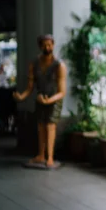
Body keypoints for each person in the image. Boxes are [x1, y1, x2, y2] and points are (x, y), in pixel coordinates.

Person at [13, 35, 67, 168]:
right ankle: (41, 155)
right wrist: (22, 97)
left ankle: (50, 157)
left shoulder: (59, 65)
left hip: (53, 99)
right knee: (41, 126)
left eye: (49, 45)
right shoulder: (35, 63)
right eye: (44, 45)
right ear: (40, 46)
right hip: (40, 98)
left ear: (53, 45)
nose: (47, 48)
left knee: (50, 126)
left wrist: (49, 100)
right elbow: (30, 87)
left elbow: (62, 92)